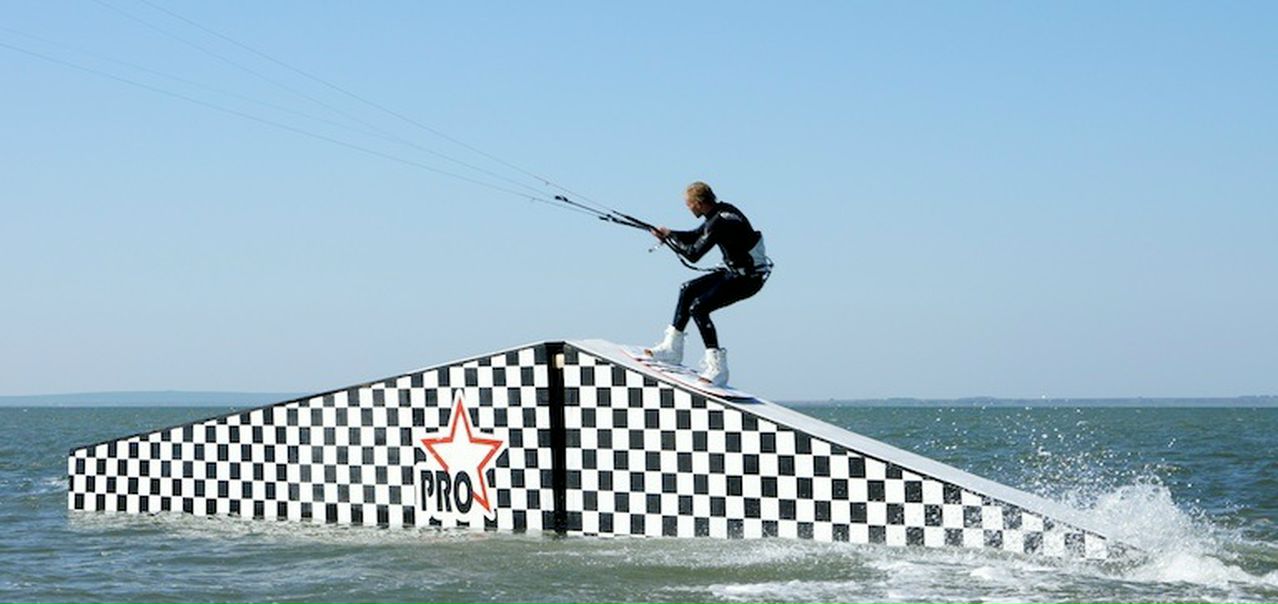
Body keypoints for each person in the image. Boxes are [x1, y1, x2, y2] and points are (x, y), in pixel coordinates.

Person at [645, 181, 771, 386]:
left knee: (699, 308)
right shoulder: (721, 211)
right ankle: (672, 349)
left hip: (748, 280)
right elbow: (696, 235)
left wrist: (669, 241)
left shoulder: (720, 222)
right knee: (687, 289)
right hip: (734, 273)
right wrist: (668, 233)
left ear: (698, 203)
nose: (688, 208)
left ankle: (718, 369)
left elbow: (693, 254)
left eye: (689, 204)